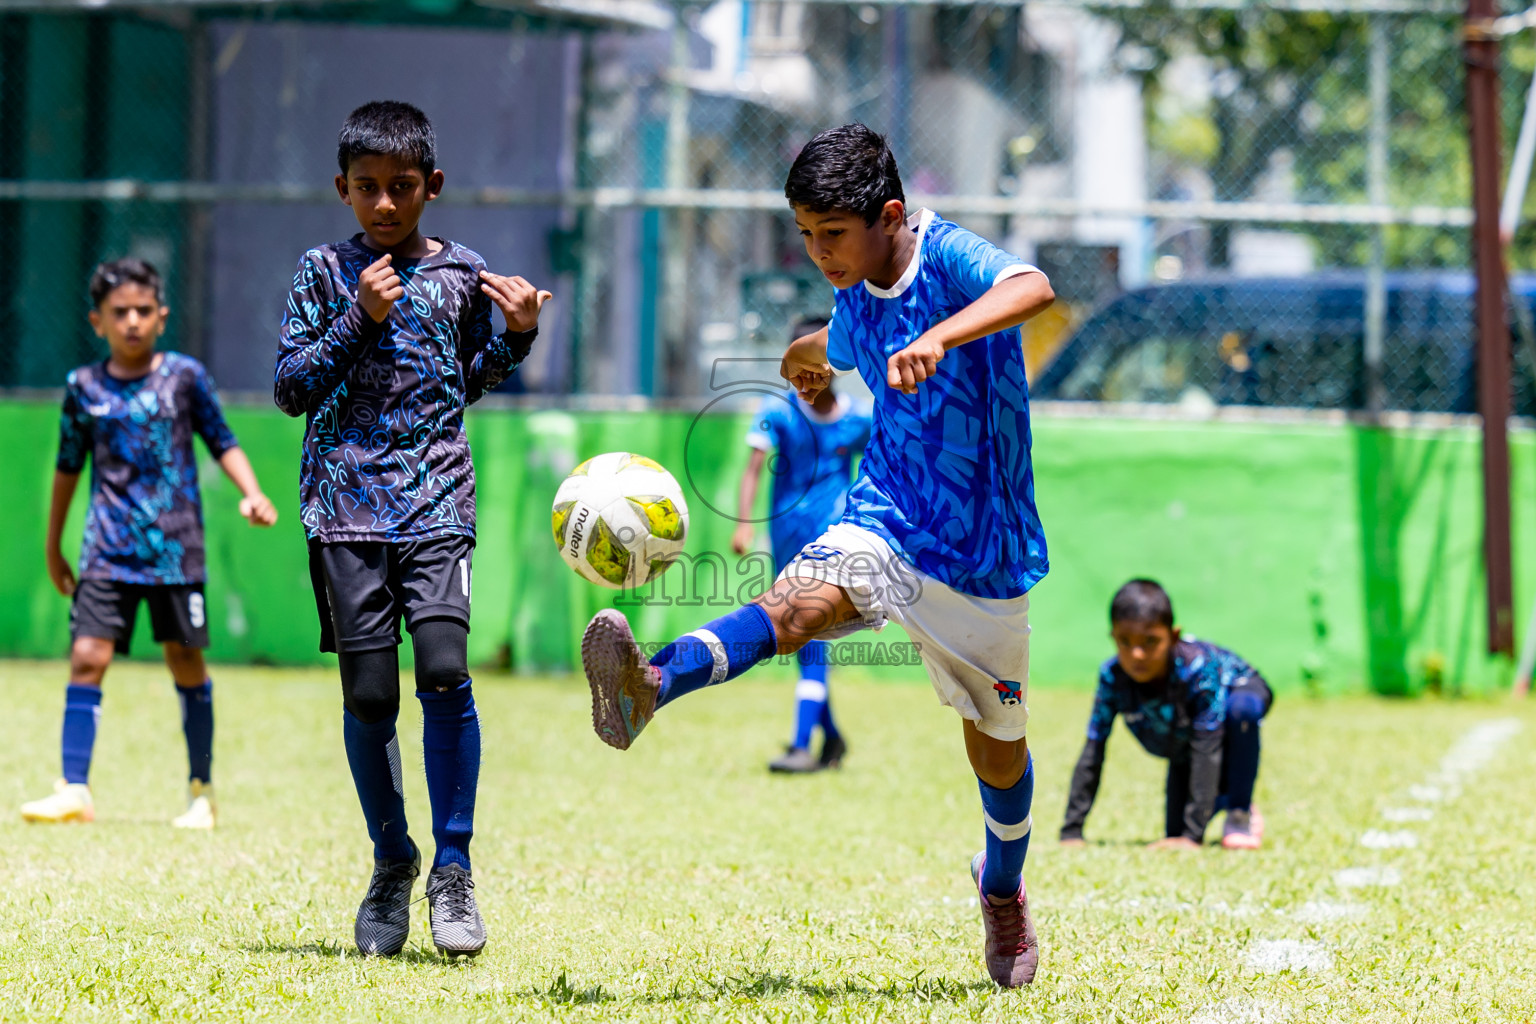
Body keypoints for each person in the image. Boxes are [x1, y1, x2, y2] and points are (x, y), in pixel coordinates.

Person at [581, 123, 1056, 988]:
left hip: (985, 557)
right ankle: (650, 684)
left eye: (831, 234)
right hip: (886, 518)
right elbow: (824, 351)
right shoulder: (854, 301)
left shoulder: (947, 257)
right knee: (796, 606)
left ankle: (1002, 887)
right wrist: (800, 365)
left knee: (998, 746)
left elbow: (1034, 285)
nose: (817, 253)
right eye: (804, 235)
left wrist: (944, 337)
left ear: (890, 215)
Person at [273, 101, 549, 959]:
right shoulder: (323, 272)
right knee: (368, 697)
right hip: (345, 510)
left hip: (437, 506)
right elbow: (290, 388)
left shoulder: (463, 272)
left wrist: (518, 338)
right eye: (367, 189)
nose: (385, 205)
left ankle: (455, 870)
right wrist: (360, 316)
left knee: (443, 670)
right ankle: (392, 863)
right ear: (342, 190)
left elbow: (458, 383)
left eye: (401, 188)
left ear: (432, 186)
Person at [22, 258, 278, 829]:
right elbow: (67, 466)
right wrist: (53, 544)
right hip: (105, 550)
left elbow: (222, 439)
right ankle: (74, 789)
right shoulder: (82, 388)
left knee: (185, 659)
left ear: (162, 317)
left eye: (143, 311)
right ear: (97, 322)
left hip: (175, 551)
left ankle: (201, 792)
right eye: (120, 313)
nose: (132, 322)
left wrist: (253, 492)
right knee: (88, 657)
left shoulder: (184, 377)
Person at [731, 316, 872, 774]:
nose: (813, 372)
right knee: (800, 638)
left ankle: (799, 745)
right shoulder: (779, 412)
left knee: (808, 637)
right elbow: (755, 466)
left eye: (823, 360)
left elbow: (881, 467)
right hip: (785, 540)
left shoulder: (858, 420)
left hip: (833, 544)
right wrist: (744, 523)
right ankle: (830, 738)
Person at [1059, 579, 1273, 852]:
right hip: (1182, 733)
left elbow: (1206, 748)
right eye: (1125, 641)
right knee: (1173, 830)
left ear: (1173, 636)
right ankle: (1222, 798)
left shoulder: (1198, 669)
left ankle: (1239, 812)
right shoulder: (1112, 677)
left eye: (1150, 641)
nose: (1137, 654)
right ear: (1112, 636)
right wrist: (1071, 831)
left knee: (1241, 712)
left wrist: (1192, 837)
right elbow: (1093, 749)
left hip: (1239, 692)